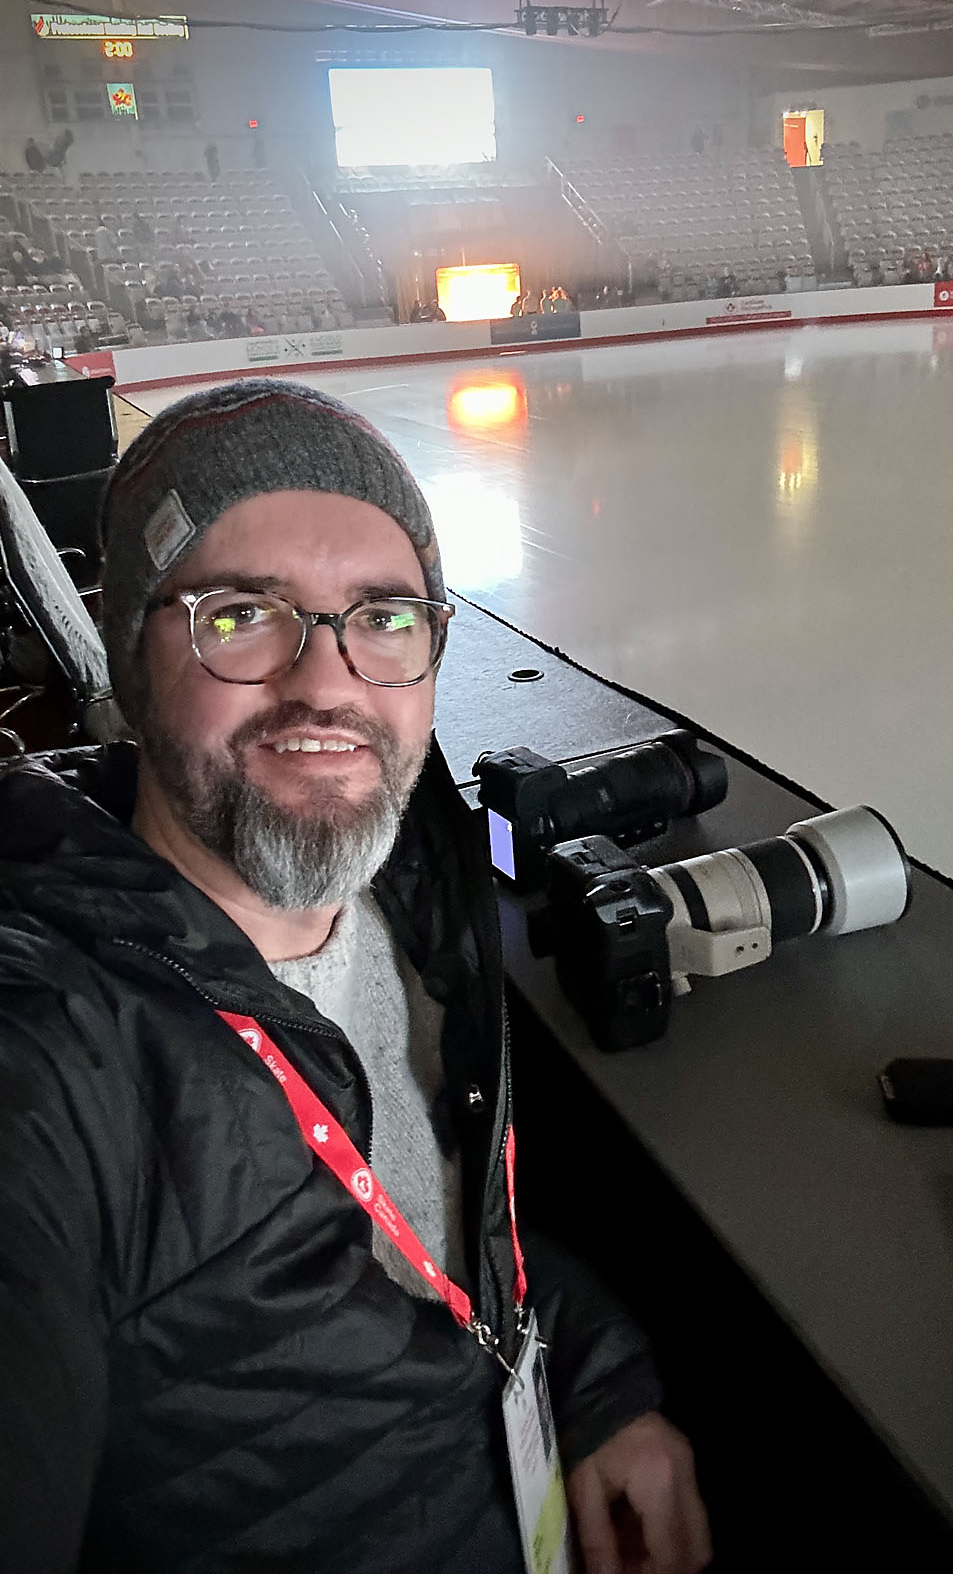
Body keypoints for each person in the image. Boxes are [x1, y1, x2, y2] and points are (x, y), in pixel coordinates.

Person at [0, 378, 711, 1574]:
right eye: (240, 615)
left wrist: (590, 1383)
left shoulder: (411, 885)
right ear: (131, 656)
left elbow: (442, 1218)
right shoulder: (51, 1048)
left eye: (382, 617)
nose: (326, 684)